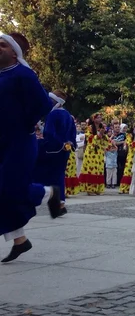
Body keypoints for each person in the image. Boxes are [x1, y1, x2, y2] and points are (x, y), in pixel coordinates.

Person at [0, 32, 61, 263]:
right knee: (3, 193)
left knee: (10, 190)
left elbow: (43, 105)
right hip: (3, 143)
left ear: (15, 52)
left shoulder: (23, 74)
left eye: (3, 45)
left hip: (19, 143)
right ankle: (20, 241)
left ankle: (48, 192)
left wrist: (24, 125)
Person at [34, 90, 77, 215]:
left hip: (52, 150)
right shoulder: (68, 115)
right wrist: (68, 144)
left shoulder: (53, 115)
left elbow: (49, 134)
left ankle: (34, 198)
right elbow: (72, 134)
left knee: (38, 173)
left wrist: (57, 143)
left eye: (51, 100)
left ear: (56, 102)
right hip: (65, 151)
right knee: (58, 176)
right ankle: (60, 204)